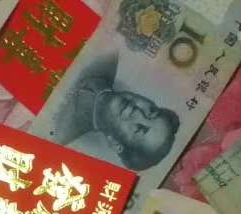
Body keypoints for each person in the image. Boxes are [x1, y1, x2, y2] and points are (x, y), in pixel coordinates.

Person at [48, 55, 181, 171]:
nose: (138, 112)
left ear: (116, 144)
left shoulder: (57, 132)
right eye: (151, 111)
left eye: (139, 129)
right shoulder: (108, 57)